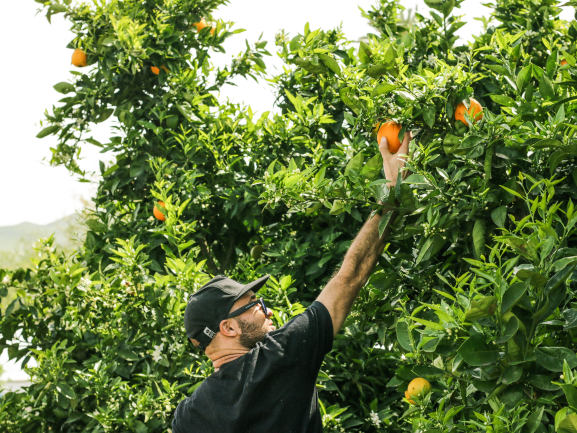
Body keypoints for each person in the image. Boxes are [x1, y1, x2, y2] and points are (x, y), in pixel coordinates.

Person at [172, 132, 412, 433]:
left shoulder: (188, 416)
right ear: (229, 327)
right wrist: (392, 189)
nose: (268, 310)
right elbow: (351, 276)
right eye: (255, 305)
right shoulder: (280, 356)